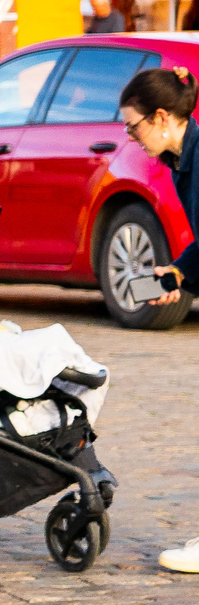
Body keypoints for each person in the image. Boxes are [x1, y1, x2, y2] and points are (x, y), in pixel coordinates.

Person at [115, 64, 199, 571]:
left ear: (162, 117)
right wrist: (179, 272)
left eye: (134, 126)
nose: (131, 137)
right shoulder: (184, 159)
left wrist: (184, 274)